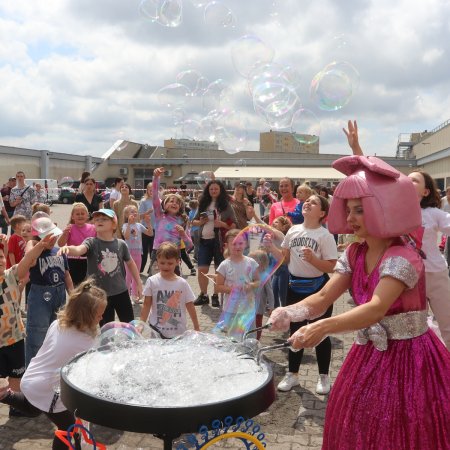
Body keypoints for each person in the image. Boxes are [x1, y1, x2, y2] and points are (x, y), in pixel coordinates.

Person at [269, 151, 450, 449]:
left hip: (409, 362)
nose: (349, 218)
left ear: (384, 208)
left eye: (359, 210)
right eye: (348, 209)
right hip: (369, 354)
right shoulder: (355, 252)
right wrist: (289, 312)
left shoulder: (403, 255)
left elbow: (376, 309)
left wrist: (322, 326)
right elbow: (325, 295)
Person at [345, 120, 450, 350]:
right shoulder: (393, 211)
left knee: (447, 323)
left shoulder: (434, 213)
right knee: (409, 328)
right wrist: (356, 148)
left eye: (415, 179)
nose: (408, 180)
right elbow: (371, 179)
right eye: (407, 178)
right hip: (403, 277)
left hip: (434, 274)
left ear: (426, 191)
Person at [0, 278, 107, 450]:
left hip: (31, 378)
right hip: (48, 388)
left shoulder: (58, 324)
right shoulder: (86, 341)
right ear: (86, 316)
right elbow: (93, 370)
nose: (102, 317)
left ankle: (6, 395)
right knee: (68, 429)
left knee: (34, 407)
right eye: (99, 314)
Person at [265, 194, 337, 394]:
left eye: (314, 202)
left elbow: (331, 267)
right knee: (295, 332)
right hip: (294, 287)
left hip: (318, 289)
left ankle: (323, 376)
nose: (307, 203)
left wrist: (314, 260)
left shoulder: (325, 235)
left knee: (320, 332)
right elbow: (286, 260)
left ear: (322, 213)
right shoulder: (293, 231)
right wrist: (271, 248)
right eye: (307, 201)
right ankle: (293, 374)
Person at [59, 209, 142, 326]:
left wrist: (138, 282)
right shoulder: (91, 242)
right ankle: (108, 345)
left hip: (121, 292)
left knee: (129, 325)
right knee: (106, 329)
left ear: (113, 224)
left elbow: (131, 263)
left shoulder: (121, 244)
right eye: (97, 219)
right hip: (99, 296)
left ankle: (130, 344)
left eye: (104, 219)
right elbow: (79, 249)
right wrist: (68, 249)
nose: (99, 221)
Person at [25, 213, 73, 366]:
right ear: (39, 237)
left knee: (59, 331)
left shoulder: (58, 251)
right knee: (37, 333)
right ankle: (33, 368)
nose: (52, 240)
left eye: (54, 236)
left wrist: (72, 294)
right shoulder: (34, 250)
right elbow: (28, 257)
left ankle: (54, 365)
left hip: (59, 294)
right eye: (48, 237)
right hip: (40, 295)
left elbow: (66, 275)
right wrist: (38, 244)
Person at [140, 242, 199, 338]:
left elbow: (190, 305)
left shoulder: (182, 283)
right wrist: (141, 325)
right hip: (156, 330)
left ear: (177, 262)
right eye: (162, 263)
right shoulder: (151, 281)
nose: (166, 266)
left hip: (178, 332)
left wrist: (196, 326)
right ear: (157, 261)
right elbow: (146, 304)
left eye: (170, 263)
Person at [192, 180, 236, 307]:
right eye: (211, 189)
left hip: (219, 241)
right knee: (202, 269)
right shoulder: (203, 203)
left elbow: (233, 224)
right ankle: (203, 295)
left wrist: (222, 224)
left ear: (220, 190)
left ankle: (215, 295)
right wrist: (200, 222)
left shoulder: (226, 205)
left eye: (216, 189)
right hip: (204, 241)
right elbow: (193, 222)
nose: (213, 191)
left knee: (219, 271)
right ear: (208, 190)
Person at [216, 229, 260, 336]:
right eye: (234, 244)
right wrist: (233, 289)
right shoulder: (224, 265)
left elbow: (258, 281)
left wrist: (251, 285)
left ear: (245, 244)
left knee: (248, 337)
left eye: (240, 243)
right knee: (233, 339)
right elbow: (218, 287)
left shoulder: (251, 262)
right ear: (227, 246)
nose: (237, 246)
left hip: (248, 308)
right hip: (231, 309)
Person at [151, 168, 193, 275]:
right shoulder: (159, 215)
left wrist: (183, 234)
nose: (174, 203)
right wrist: (156, 177)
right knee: (156, 283)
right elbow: (155, 196)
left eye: (177, 202)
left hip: (174, 254)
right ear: (164, 205)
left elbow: (189, 245)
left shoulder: (182, 220)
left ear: (180, 207)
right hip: (158, 252)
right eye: (171, 201)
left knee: (173, 283)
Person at [57, 203, 96, 286]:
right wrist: (65, 233)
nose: (80, 216)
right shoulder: (70, 228)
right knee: (74, 288)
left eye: (82, 213)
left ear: (87, 215)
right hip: (72, 261)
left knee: (88, 287)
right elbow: (60, 244)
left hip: (88, 261)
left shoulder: (93, 228)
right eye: (77, 214)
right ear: (72, 216)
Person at [122, 205, 153, 303]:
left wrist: (148, 223)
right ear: (127, 215)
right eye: (131, 212)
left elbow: (150, 233)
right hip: (128, 254)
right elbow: (126, 237)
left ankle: (135, 296)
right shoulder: (125, 226)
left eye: (135, 211)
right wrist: (128, 224)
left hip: (138, 253)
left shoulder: (139, 225)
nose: (134, 213)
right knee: (128, 276)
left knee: (136, 275)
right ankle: (126, 296)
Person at [248, 249, 274, 340]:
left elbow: (270, 292)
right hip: (248, 305)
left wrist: (271, 306)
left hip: (259, 306)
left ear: (261, 264)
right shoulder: (249, 274)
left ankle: (256, 341)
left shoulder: (266, 276)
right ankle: (247, 340)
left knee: (258, 324)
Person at [138, 182, 155, 274]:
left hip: (156, 229)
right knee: (144, 250)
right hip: (145, 228)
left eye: (154, 189)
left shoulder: (159, 201)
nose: (152, 191)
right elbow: (139, 216)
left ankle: (151, 269)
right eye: (150, 189)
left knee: (153, 251)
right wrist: (147, 212)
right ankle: (140, 269)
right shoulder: (144, 201)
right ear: (147, 190)